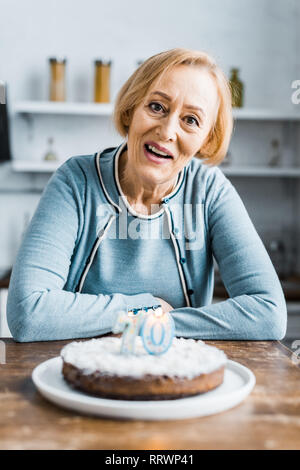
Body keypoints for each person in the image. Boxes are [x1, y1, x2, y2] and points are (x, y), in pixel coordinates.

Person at [7, 48, 287, 342]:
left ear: (207, 139)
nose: (167, 131)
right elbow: (28, 312)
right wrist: (142, 308)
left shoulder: (209, 190)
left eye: (191, 120)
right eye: (156, 106)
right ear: (131, 108)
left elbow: (268, 313)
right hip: (79, 372)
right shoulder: (76, 181)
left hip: (176, 374)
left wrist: (160, 323)